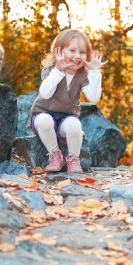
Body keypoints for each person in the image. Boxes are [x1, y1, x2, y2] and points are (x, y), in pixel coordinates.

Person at [31, 28, 107, 173]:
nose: (77, 56)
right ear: (58, 51)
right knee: (44, 120)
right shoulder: (51, 69)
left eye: (82, 52)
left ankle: (73, 159)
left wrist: (95, 72)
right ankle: (55, 156)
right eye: (72, 51)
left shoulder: (82, 74)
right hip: (43, 113)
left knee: (74, 125)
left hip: (67, 117)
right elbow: (45, 93)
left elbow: (93, 98)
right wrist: (58, 71)